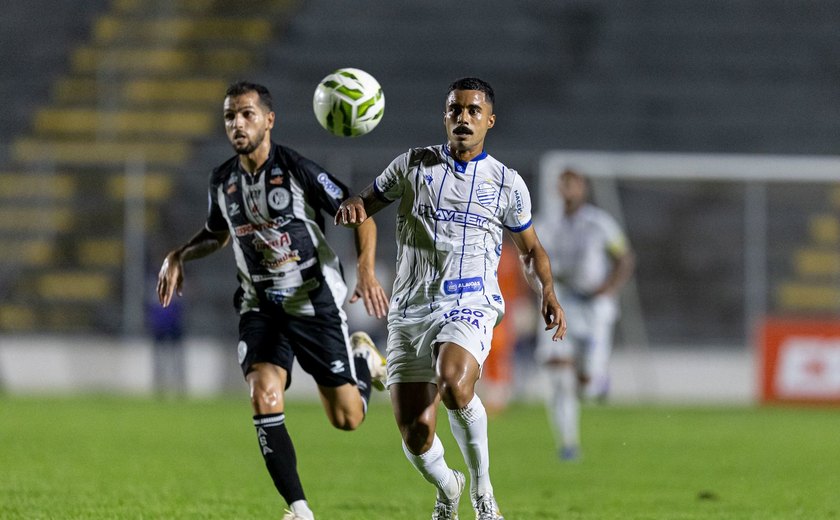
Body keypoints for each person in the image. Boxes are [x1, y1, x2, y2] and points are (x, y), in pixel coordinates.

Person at [156, 81, 389, 520]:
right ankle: (299, 511)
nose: (237, 124)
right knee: (262, 392)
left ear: (268, 119)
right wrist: (178, 254)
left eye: (246, 114)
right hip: (259, 306)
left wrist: (367, 270)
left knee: (348, 419)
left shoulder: (297, 170)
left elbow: (360, 213)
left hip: (313, 302)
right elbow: (217, 233)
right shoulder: (222, 180)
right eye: (230, 116)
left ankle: (361, 358)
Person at [335, 77, 566, 520]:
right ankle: (448, 486)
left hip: (470, 303)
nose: (463, 118)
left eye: (473, 111)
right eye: (455, 110)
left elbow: (531, 249)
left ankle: (483, 494)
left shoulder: (506, 183)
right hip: (410, 308)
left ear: (489, 121)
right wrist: (354, 212)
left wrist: (548, 291)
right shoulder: (412, 165)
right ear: (444, 116)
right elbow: (364, 203)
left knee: (455, 381)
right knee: (416, 437)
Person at [535, 167, 635, 461]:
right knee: (558, 376)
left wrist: (608, 288)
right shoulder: (546, 224)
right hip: (562, 305)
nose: (568, 189)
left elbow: (624, 257)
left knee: (586, 388)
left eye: (573, 184)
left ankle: (597, 380)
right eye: (563, 184)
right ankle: (568, 444)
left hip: (594, 307)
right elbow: (529, 259)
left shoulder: (599, 223)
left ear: (583, 188)